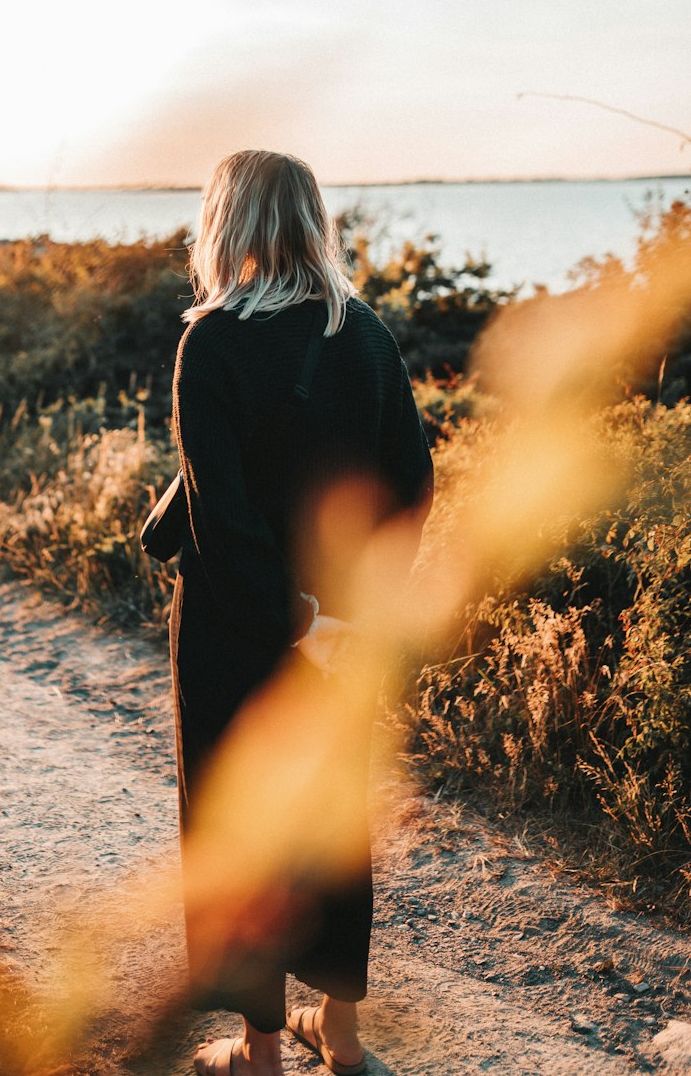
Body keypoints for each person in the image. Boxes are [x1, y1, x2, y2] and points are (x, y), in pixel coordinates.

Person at [164, 151, 433, 1076]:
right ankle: (342, 1037)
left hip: (238, 635)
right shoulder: (363, 333)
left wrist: (301, 622)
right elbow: (412, 483)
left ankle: (260, 1050)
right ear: (314, 220)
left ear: (224, 222)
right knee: (329, 824)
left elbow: (225, 522)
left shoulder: (212, 343)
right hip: (341, 643)